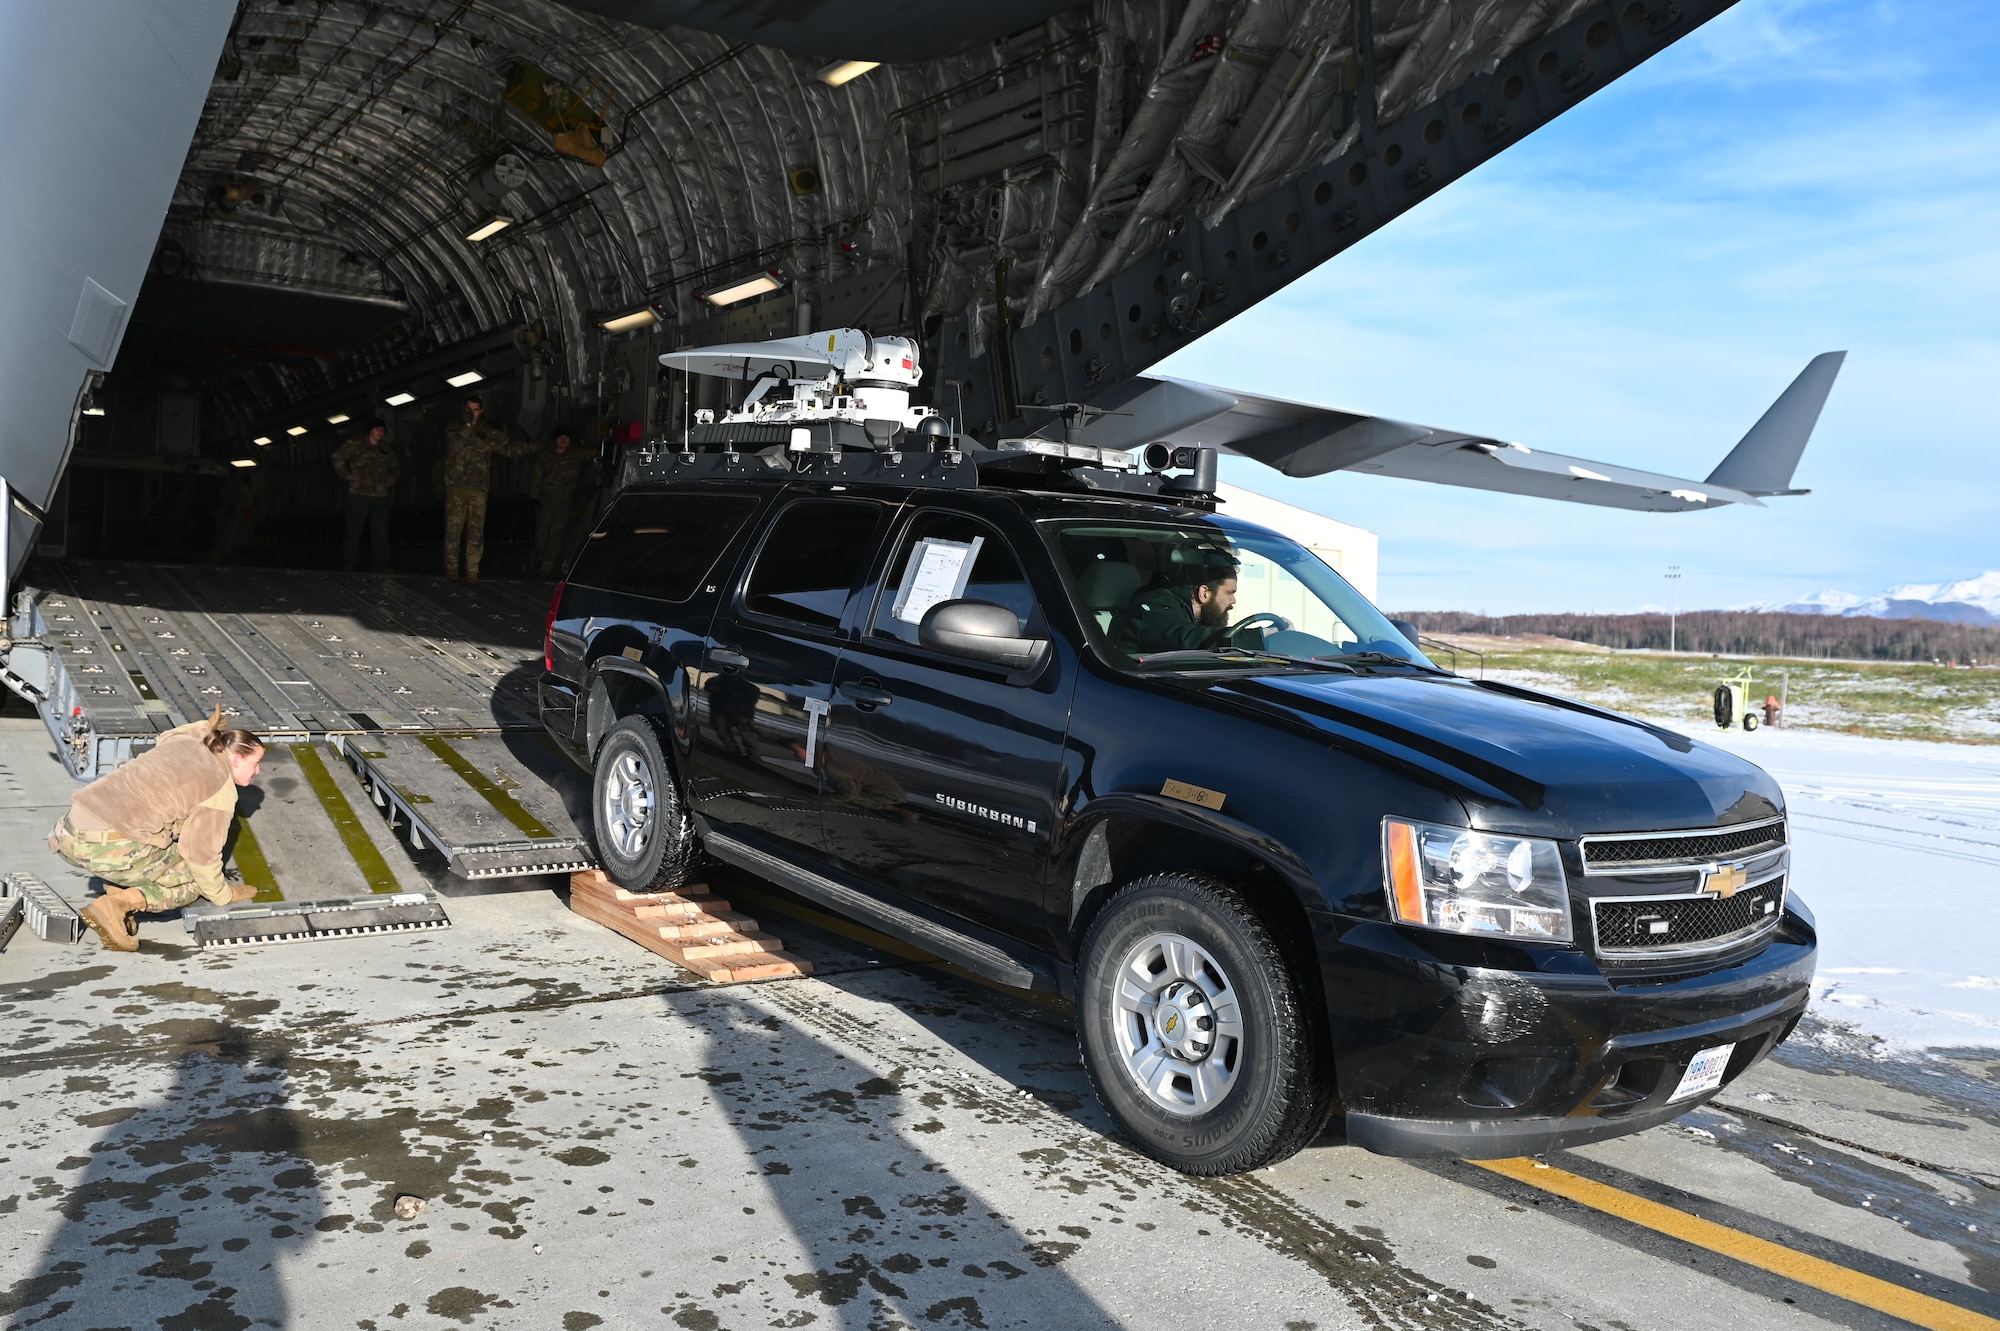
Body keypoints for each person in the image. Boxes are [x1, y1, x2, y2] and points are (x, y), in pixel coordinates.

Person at [49, 708, 265, 953]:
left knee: (156, 844)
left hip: (67, 833)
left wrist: (205, 725)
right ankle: (118, 904)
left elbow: (170, 734)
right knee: (196, 878)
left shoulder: (185, 744)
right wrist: (223, 894)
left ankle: (119, 884)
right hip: (105, 847)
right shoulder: (220, 787)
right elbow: (200, 855)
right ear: (236, 759)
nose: (257, 771)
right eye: (255, 763)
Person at [440, 393, 534, 581]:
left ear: (481, 412)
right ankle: (452, 568)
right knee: (453, 529)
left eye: (475, 410)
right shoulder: (454, 429)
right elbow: (456, 446)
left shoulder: (489, 434)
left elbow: (508, 449)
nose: (472, 413)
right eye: (468, 410)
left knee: (475, 530)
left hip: (478, 488)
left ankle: (472, 569)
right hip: (457, 487)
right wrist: (467, 426)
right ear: (463, 410)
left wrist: (534, 446)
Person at [1111, 557, 1282, 655]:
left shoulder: (1192, 615)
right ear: (1204, 593)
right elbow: (1183, 637)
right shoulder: (1154, 606)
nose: (1233, 601)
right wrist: (1259, 637)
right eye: (1230, 592)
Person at [331, 417, 398, 571]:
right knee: (354, 529)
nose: (380, 432)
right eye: (377, 429)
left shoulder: (386, 449)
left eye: (382, 430)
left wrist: (392, 477)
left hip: (380, 494)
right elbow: (337, 457)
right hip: (359, 493)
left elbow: (395, 466)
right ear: (370, 430)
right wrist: (347, 475)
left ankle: (381, 563)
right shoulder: (355, 445)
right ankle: (349, 562)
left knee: (380, 530)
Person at [531, 426, 593, 577]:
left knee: (556, 536)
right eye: (560, 437)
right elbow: (536, 478)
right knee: (541, 535)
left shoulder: (576, 455)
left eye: (566, 437)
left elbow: (595, 454)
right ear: (555, 440)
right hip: (544, 502)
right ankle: (540, 558)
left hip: (564, 503)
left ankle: (546, 566)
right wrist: (533, 497)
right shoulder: (545, 457)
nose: (563, 440)